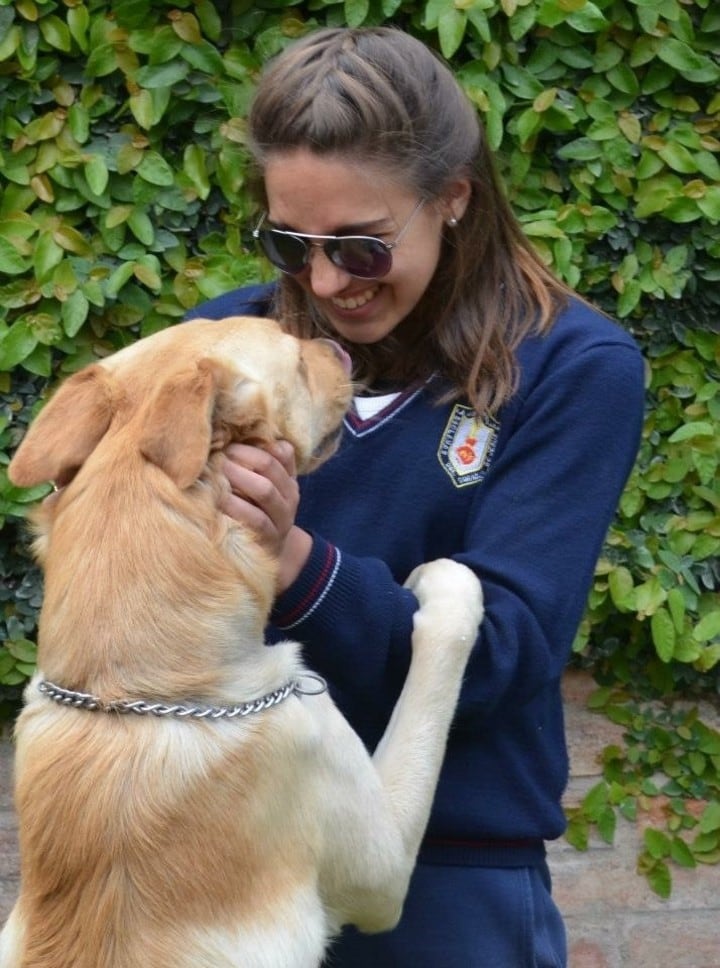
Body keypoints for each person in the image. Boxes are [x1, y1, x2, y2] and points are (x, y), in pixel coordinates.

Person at [187, 26, 645, 967]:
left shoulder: (570, 367)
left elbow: (499, 655)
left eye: (360, 247)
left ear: (453, 199)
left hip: (449, 881)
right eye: (290, 241)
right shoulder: (220, 340)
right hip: (226, 861)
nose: (321, 282)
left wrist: (295, 563)